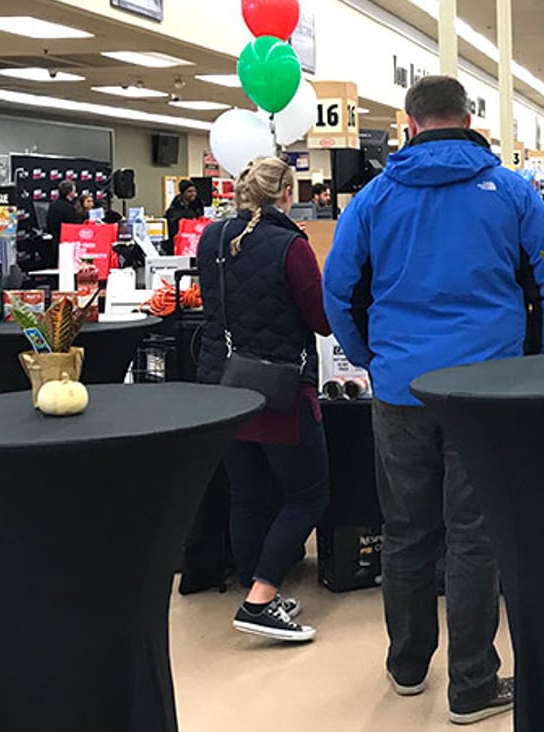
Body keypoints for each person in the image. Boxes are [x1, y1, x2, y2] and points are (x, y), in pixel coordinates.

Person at [324, 75, 544, 725]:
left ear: (410, 120)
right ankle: (473, 684)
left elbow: (339, 292)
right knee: (475, 537)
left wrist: (374, 357)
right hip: (489, 391)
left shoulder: (373, 198)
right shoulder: (512, 192)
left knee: (404, 531)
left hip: (402, 389)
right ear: (469, 116)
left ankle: (406, 667)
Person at [195, 157, 332, 643]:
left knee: (247, 494)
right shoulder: (291, 246)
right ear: (287, 194)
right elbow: (321, 319)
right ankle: (260, 598)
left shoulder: (211, 238)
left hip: (223, 386)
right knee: (308, 494)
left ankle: (256, 589)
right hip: (279, 390)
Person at [166, 179, 205, 253]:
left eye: (194, 191)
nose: (193, 194)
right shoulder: (174, 209)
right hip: (179, 243)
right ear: (183, 193)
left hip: (194, 242)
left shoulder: (198, 206)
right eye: (189, 191)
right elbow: (172, 228)